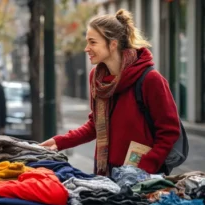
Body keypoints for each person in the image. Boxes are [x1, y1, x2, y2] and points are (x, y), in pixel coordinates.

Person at [40, 9, 180, 176]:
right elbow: (95, 126)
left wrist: (143, 169)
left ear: (113, 44)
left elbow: (169, 132)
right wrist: (59, 142)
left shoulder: (150, 79)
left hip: (143, 178)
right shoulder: (98, 79)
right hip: (105, 175)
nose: (86, 48)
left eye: (92, 42)